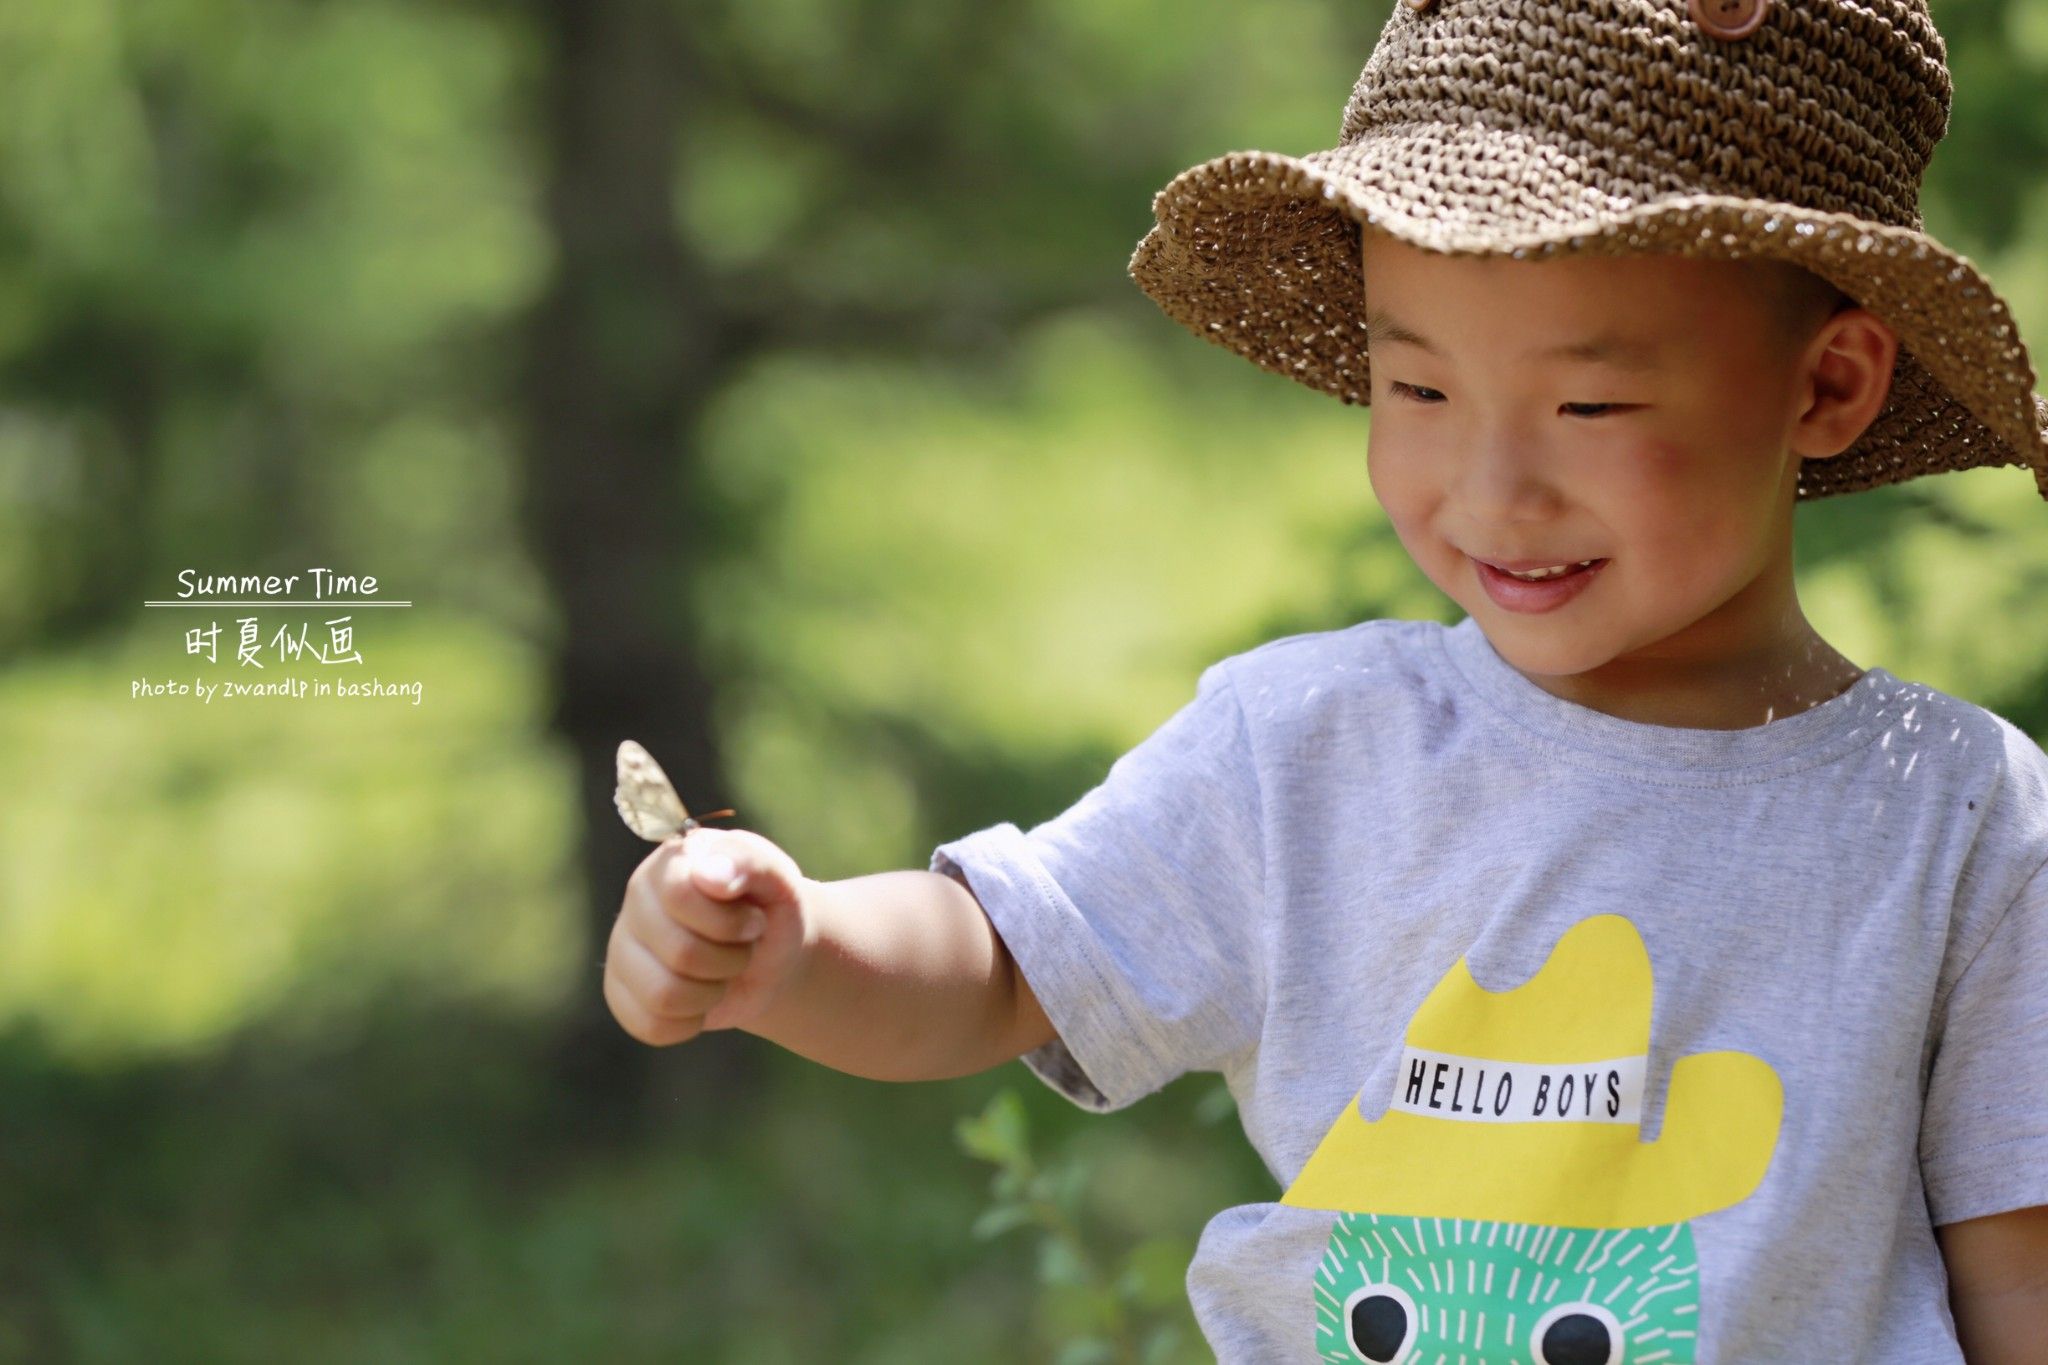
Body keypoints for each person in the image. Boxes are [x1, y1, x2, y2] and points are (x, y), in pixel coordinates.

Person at [603, 0, 2048, 1359]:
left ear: (1828, 386)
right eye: (1416, 389)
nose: (1491, 488)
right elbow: (1001, 962)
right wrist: (796, 948)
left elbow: (2015, 1270)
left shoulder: (1961, 819)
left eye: (1587, 403)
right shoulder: (1308, 747)